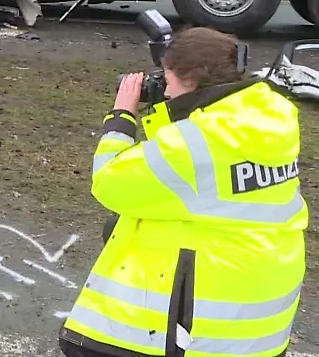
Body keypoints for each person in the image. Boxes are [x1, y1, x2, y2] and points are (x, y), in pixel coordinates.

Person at [58, 26, 308, 357]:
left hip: (207, 334)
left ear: (191, 80)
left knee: (80, 346)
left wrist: (120, 120)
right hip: (262, 325)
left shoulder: (193, 145)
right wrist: (180, 111)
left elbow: (110, 182)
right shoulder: (266, 117)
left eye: (168, 79)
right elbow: (198, 181)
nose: (164, 91)